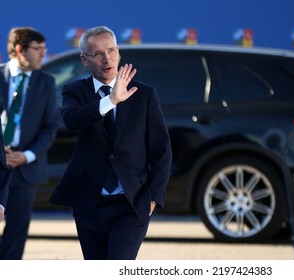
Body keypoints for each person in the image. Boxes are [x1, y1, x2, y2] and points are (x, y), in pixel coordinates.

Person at [49, 26, 172, 260]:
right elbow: (73, 121)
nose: (107, 58)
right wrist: (111, 100)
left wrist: (154, 197)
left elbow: (161, 149)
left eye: (112, 50)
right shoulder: (74, 90)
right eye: (98, 54)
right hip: (90, 203)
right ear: (84, 60)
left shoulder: (144, 94)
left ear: (119, 52)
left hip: (131, 203)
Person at [0, 27, 60, 260]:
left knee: (16, 232)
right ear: (19, 50)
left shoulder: (46, 82)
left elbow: (50, 127)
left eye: (45, 49)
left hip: (25, 168)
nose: (43, 54)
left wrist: (27, 155)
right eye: (38, 49)